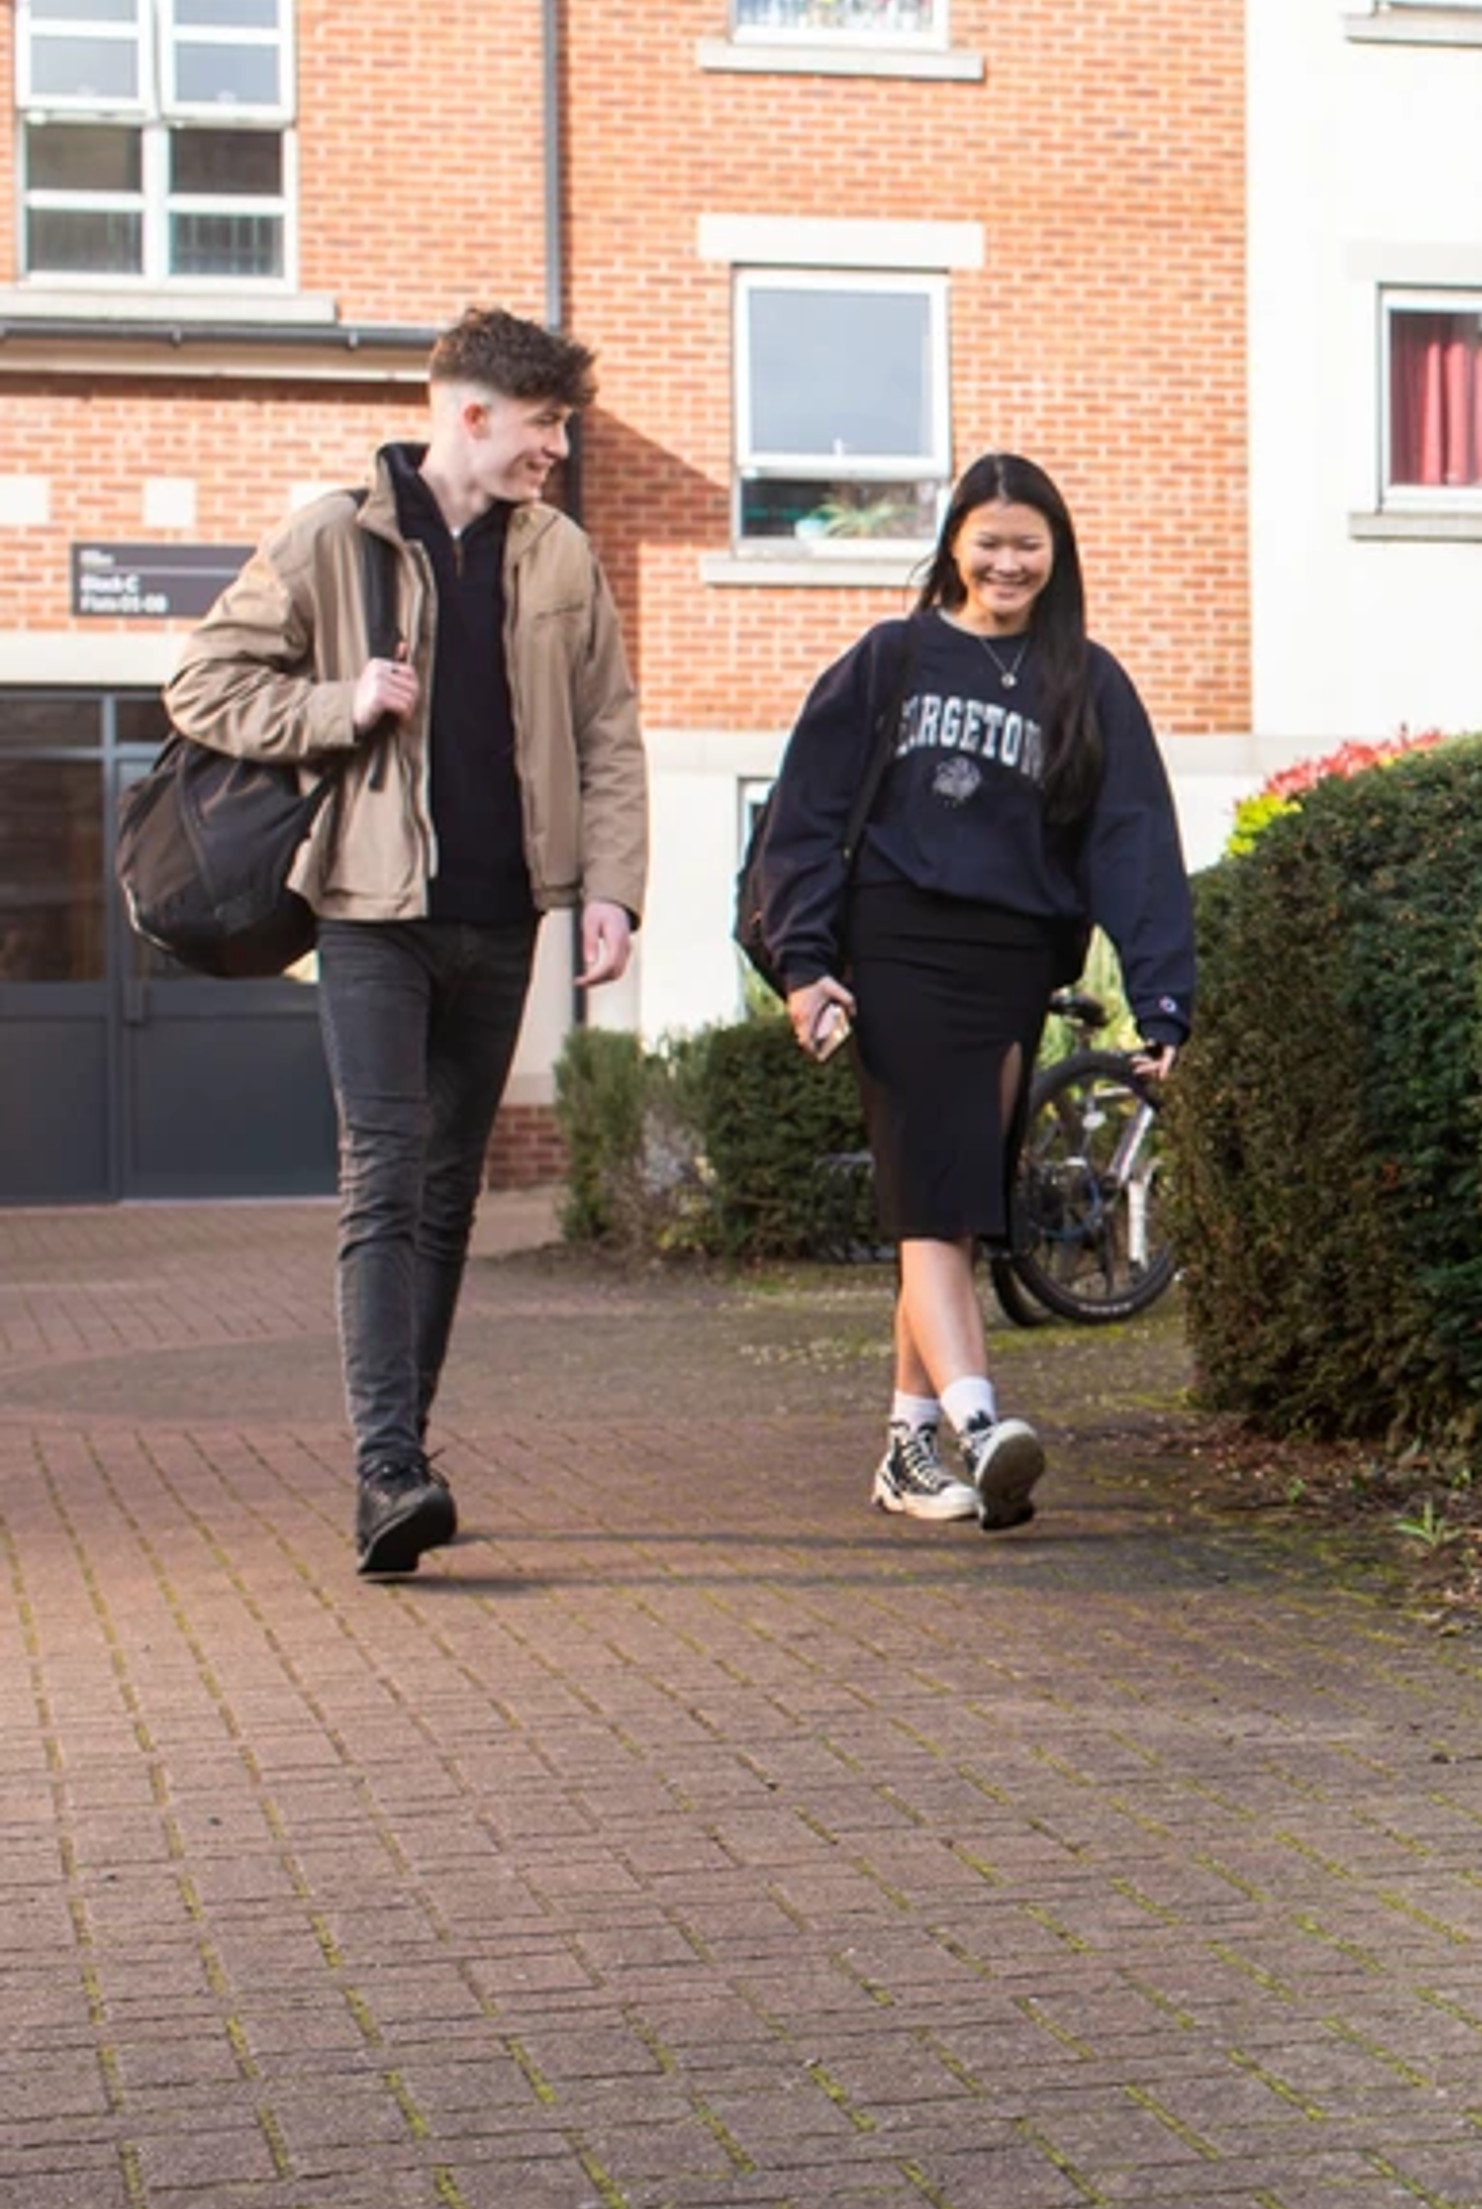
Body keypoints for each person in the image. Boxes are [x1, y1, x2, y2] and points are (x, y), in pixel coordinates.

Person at [167, 308, 646, 1579]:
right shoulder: (337, 534)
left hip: (504, 917)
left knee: (448, 1194)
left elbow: (608, 732)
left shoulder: (562, 559)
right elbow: (203, 681)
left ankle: (407, 1459)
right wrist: (340, 703)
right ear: (470, 414)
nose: (557, 448)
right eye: (544, 424)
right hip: (372, 914)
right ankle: (385, 1469)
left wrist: (614, 890)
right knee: (384, 1178)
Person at [754, 453, 1196, 1534]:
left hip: (1012, 959)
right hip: (896, 944)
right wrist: (805, 962)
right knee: (937, 1188)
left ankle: (907, 1449)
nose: (1008, 561)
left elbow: (1133, 839)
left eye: (1029, 544)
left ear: (1058, 552)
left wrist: (1163, 996)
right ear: (954, 542)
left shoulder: (1085, 680)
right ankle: (982, 1420)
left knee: (943, 1200)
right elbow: (803, 816)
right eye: (989, 541)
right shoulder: (891, 660)